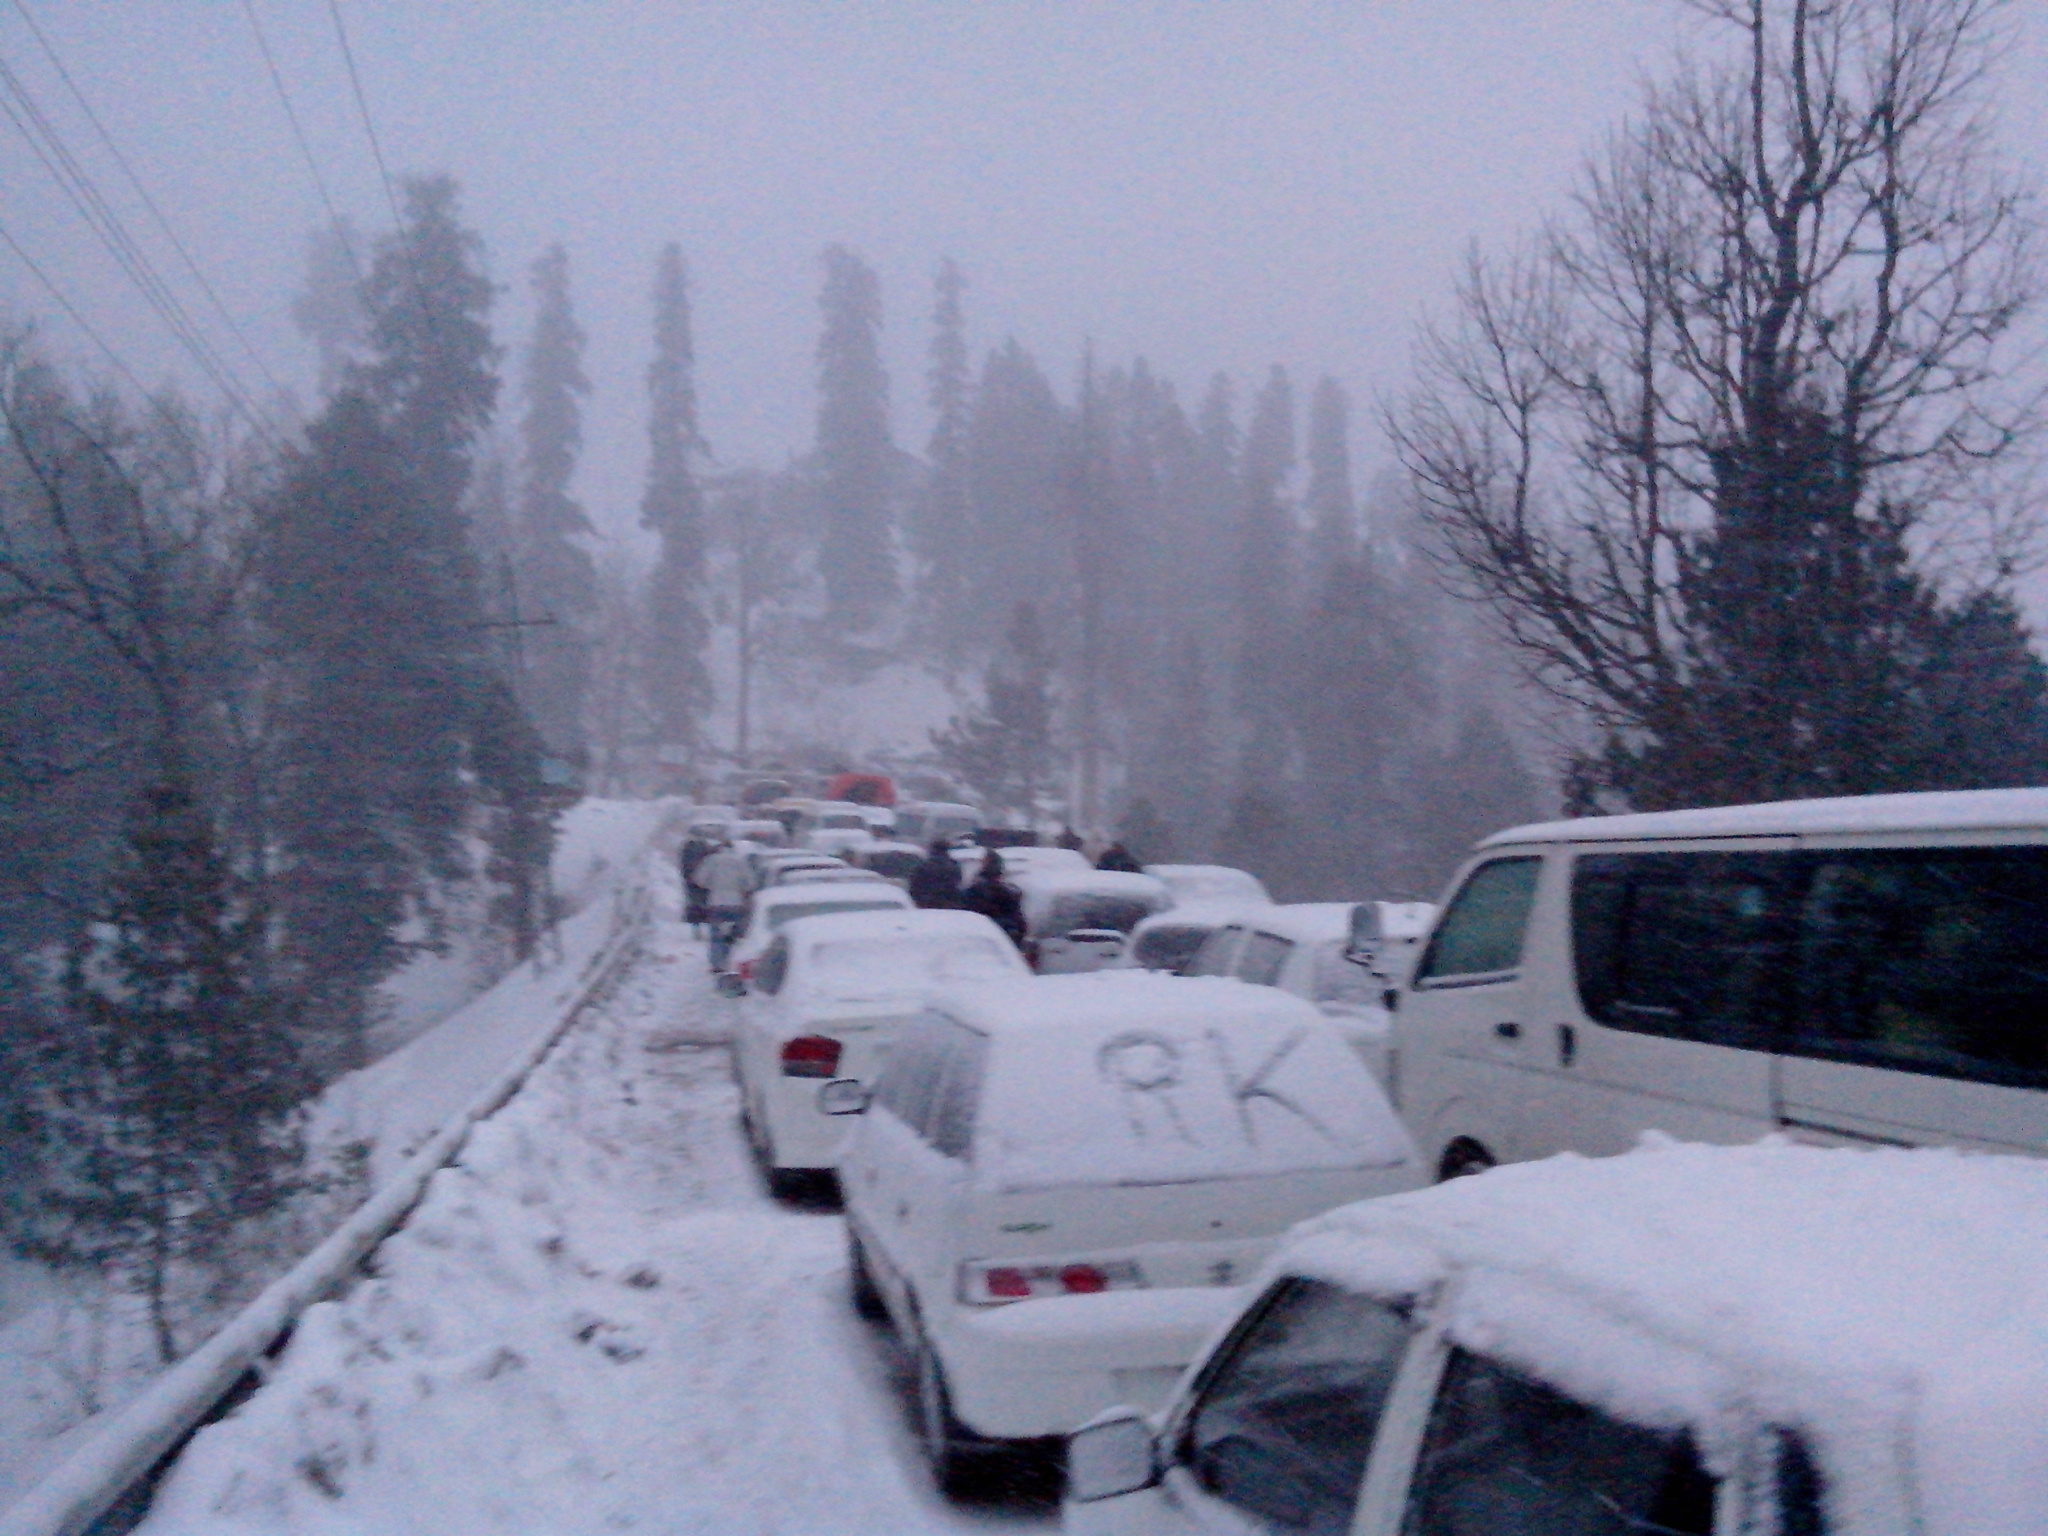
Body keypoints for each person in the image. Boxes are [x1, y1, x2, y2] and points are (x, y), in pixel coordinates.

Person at [692, 840, 754, 971]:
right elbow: (750, 883)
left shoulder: (711, 860)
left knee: (716, 935)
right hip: (736, 903)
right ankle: (730, 962)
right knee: (732, 936)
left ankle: (717, 965)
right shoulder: (740, 861)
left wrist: (711, 886)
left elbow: (699, 880)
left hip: (716, 902)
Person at [963, 849, 1026, 950]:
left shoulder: (974, 890)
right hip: (1003, 941)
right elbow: (1020, 923)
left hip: (978, 941)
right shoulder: (1009, 893)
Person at [679, 828, 719, 937]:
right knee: (706, 903)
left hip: (691, 881)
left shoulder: (687, 847)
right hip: (704, 881)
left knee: (694, 903)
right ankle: (705, 927)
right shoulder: (706, 848)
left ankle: (696, 928)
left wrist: (687, 877)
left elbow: (683, 864)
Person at [909, 837, 964, 909]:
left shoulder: (923, 865)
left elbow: (914, 885)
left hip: (926, 902)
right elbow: (957, 883)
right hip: (948, 903)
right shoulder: (953, 865)